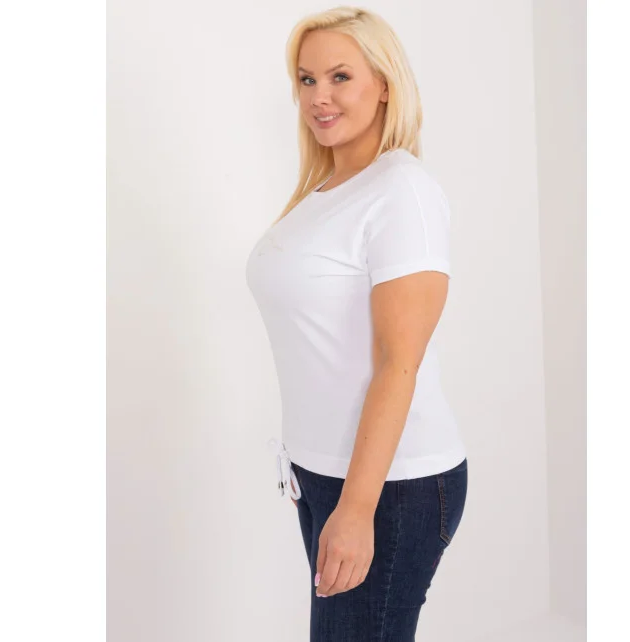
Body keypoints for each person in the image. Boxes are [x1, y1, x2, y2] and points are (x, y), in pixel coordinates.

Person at [246, 6, 468, 640]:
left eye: (340, 76)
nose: (319, 96)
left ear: (385, 84)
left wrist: (357, 507)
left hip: (391, 484)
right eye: (307, 79)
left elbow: (400, 361)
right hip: (321, 474)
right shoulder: (324, 193)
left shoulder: (402, 191)